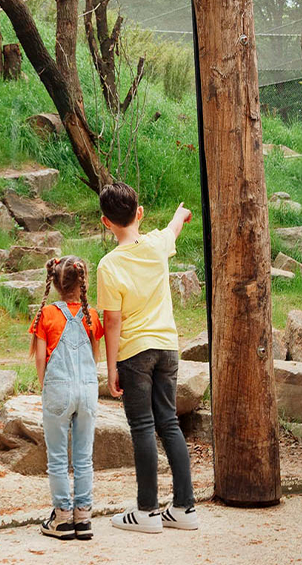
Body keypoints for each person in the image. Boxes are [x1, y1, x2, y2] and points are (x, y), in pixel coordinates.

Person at [96, 182, 198, 534]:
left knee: (142, 427)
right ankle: (185, 507)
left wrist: (111, 367)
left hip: (135, 353)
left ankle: (147, 511)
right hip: (168, 346)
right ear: (139, 213)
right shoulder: (156, 245)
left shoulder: (108, 266)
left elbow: (112, 320)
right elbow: (173, 229)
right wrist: (180, 213)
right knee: (168, 423)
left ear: (106, 222)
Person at [28, 256, 104, 541]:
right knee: (84, 458)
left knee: (58, 458)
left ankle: (62, 518)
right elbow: (94, 356)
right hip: (87, 390)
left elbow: (39, 358)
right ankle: (83, 516)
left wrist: (44, 385)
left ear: (57, 283)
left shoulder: (46, 314)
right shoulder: (91, 315)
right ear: (82, 281)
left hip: (58, 389)